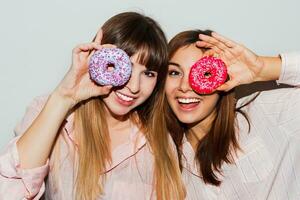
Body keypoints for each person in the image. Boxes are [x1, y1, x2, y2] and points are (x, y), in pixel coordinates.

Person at [0, 12, 185, 200]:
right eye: (125, 66)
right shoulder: (50, 113)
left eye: (149, 74)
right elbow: (8, 192)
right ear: (100, 60)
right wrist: (64, 97)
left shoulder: (158, 140)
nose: (134, 87)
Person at [163, 30, 300, 199]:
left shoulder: (264, 112)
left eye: (205, 73)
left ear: (223, 77)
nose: (184, 86)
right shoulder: (162, 158)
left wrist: (263, 68)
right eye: (174, 73)